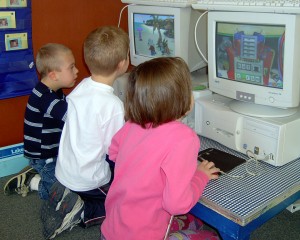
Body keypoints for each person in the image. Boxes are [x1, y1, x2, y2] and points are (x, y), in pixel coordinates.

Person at [101, 57, 220, 240]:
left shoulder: (133, 124)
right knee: (209, 236)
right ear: (183, 99)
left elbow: (114, 151)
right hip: (142, 236)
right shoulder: (184, 138)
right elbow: (176, 204)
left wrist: (142, 171)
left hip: (111, 230)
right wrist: (200, 176)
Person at [41, 26, 130, 239]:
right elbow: (115, 150)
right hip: (90, 179)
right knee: (120, 206)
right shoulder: (113, 105)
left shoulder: (81, 86)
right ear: (122, 64)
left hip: (65, 171)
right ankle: (81, 212)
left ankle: (63, 193)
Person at [3, 43, 78, 199]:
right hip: (44, 155)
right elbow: (72, 116)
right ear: (53, 75)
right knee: (57, 196)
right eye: (71, 67)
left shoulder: (54, 90)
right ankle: (32, 181)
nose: (76, 71)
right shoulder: (45, 97)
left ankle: (37, 171)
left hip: (53, 149)